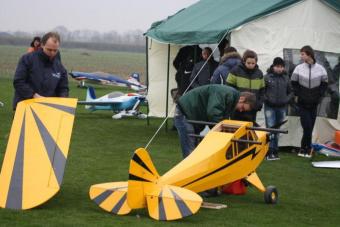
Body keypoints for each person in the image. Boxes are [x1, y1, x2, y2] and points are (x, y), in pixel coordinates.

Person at [174, 84, 256, 158]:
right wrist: (222, 132)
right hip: (185, 113)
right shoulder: (227, 94)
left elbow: (219, 118)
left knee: (195, 149)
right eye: (243, 107)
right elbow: (213, 113)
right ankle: (190, 172)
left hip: (192, 115)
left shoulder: (231, 98)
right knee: (190, 150)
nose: (241, 110)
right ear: (242, 99)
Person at [13, 32, 69, 109]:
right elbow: (18, 82)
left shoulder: (59, 67)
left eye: (55, 50)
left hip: (48, 110)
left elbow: (63, 88)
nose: (52, 53)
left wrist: (63, 97)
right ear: (42, 45)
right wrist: (33, 95)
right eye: (49, 50)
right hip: (25, 107)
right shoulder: (27, 59)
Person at [291, 45, 328, 158]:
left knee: (310, 127)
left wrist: (319, 96)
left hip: (314, 103)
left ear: (309, 54)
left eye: (303, 54)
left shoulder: (321, 69)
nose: (301, 56)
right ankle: (305, 148)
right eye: (301, 54)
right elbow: (293, 83)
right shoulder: (298, 68)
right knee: (307, 127)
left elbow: (324, 83)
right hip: (302, 103)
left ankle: (305, 149)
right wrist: (299, 94)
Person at [264, 57, 293, 160]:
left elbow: (291, 91)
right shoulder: (267, 77)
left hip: (282, 107)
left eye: (281, 67)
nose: (279, 69)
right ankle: (269, 151)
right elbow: (262, 90)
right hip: (269, 107)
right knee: (270, 128)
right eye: (277, 66)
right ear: (273, 66)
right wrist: (266, 99)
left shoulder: (286, 78)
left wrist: (286, 100)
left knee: (277, 129)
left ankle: (275, 151)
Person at [226, 50, 265, 122]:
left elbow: (262, 91)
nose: (251, 65)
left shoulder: (259, 74)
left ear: (256, 62)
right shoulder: (235, 71)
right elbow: (229, 88)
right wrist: (235, 103)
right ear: (244, 61)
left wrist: (259, 104)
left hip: (252, 109)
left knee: (250, 130)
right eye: (248, 63)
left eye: (253, 63)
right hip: (238, 109)